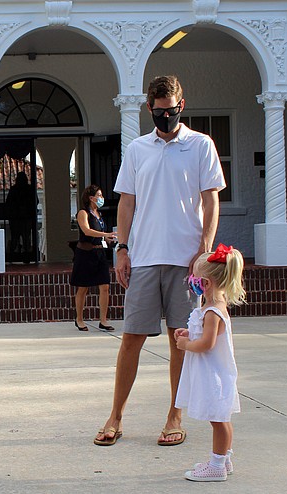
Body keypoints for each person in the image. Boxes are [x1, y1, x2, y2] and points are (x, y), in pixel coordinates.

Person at [94, 75, 224, 447]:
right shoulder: (137, 149)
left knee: (179, 339)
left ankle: (174, 417)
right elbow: (127, 203)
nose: (164, 116)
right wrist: (122, 248)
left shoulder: (201, 145)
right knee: (131, 338)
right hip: (145, 257)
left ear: (181, 106)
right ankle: (115, 415)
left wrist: (204, 249)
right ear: (149, 109)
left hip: (187, 261)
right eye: (158, 111)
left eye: (170, 110)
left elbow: (211, 200)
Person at [174, 244, 245, 481]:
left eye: (195, 277)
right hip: (211, 373)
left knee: (219, 420)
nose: (191, 281)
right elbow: (202, 336)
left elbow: (207, 344)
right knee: (220, 419)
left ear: (206, 283)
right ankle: (223, 459)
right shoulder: (210, 308)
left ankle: (216, 466)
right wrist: (189, 333)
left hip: (214, 376)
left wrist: (186, 346)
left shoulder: (213, 311)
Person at [71, 185, 116, 331]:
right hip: (85, 253)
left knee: (105, 286)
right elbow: (87, 231)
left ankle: (103, 320)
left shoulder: (99, 215)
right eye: (99, 195)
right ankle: (79, 319)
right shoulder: (83, 213)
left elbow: (101, 235)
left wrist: (110, 239)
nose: (101, 198)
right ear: (91, 198)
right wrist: (105, 235)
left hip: (99, 253)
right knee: (83, 288)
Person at [5, 171, 37, 258]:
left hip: (16, 217)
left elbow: (8, 203)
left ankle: (13, 255)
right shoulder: (29, 189)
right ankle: (27, 255)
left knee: (15, 237)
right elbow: (35, 201)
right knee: (26, 237)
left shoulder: (14, 189)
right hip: (25, 217)